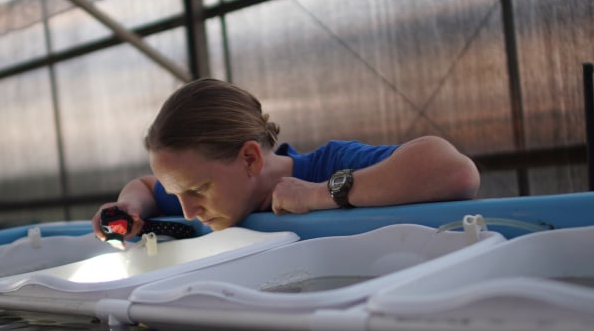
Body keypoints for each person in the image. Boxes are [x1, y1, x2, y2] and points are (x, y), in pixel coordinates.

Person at [92, 78, 479, 238]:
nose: (188, 211)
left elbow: (455, 172)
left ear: (249, 159)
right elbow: (144, 187)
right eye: (177, 194)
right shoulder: (206, 197)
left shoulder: (330, 166)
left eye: (196, 190)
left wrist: (317, 196)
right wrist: (129, 206)